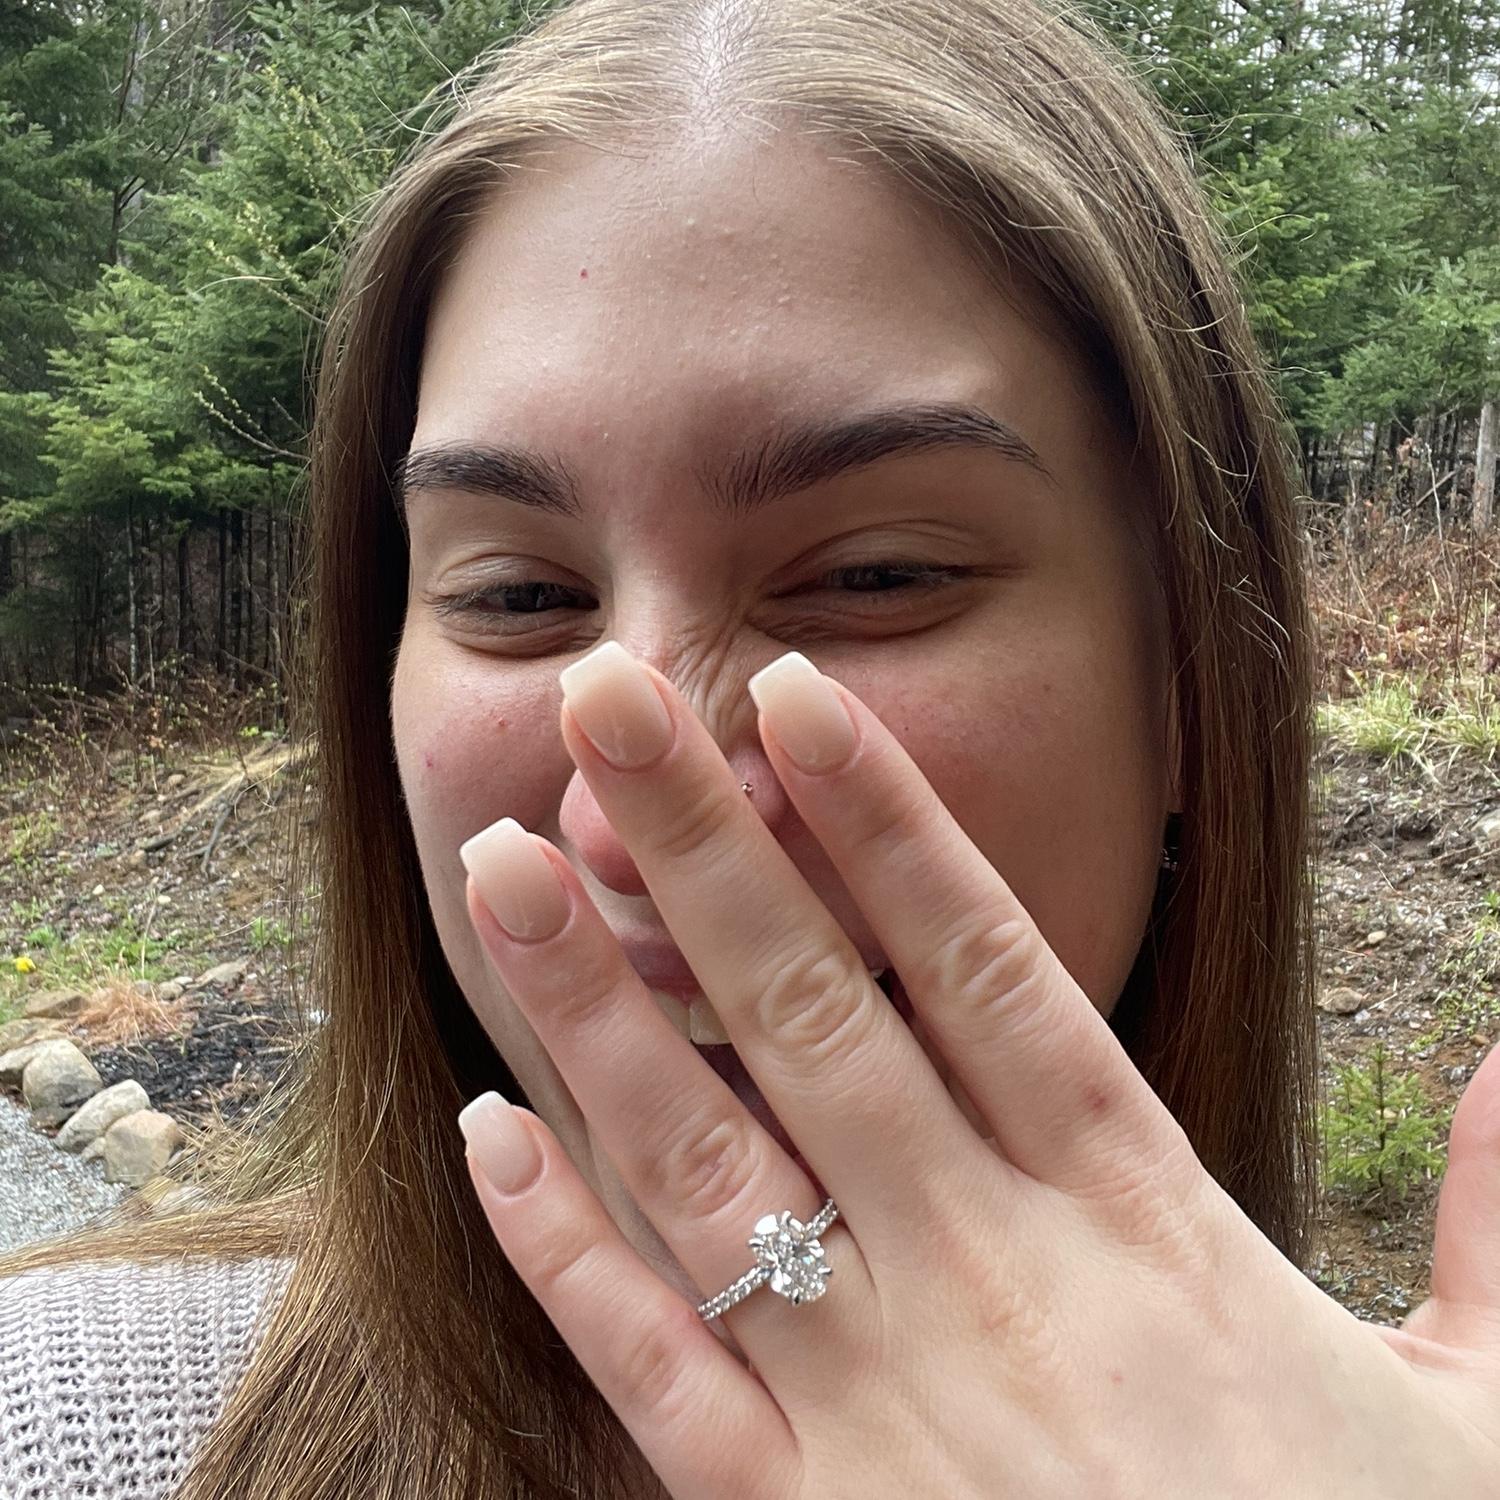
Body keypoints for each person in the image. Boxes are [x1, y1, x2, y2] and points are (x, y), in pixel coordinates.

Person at [5, 0, 1500, 1494]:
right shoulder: (67, 1428)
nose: (627, 821)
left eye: (877, 575)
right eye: (517, 596)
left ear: (1190, 688)